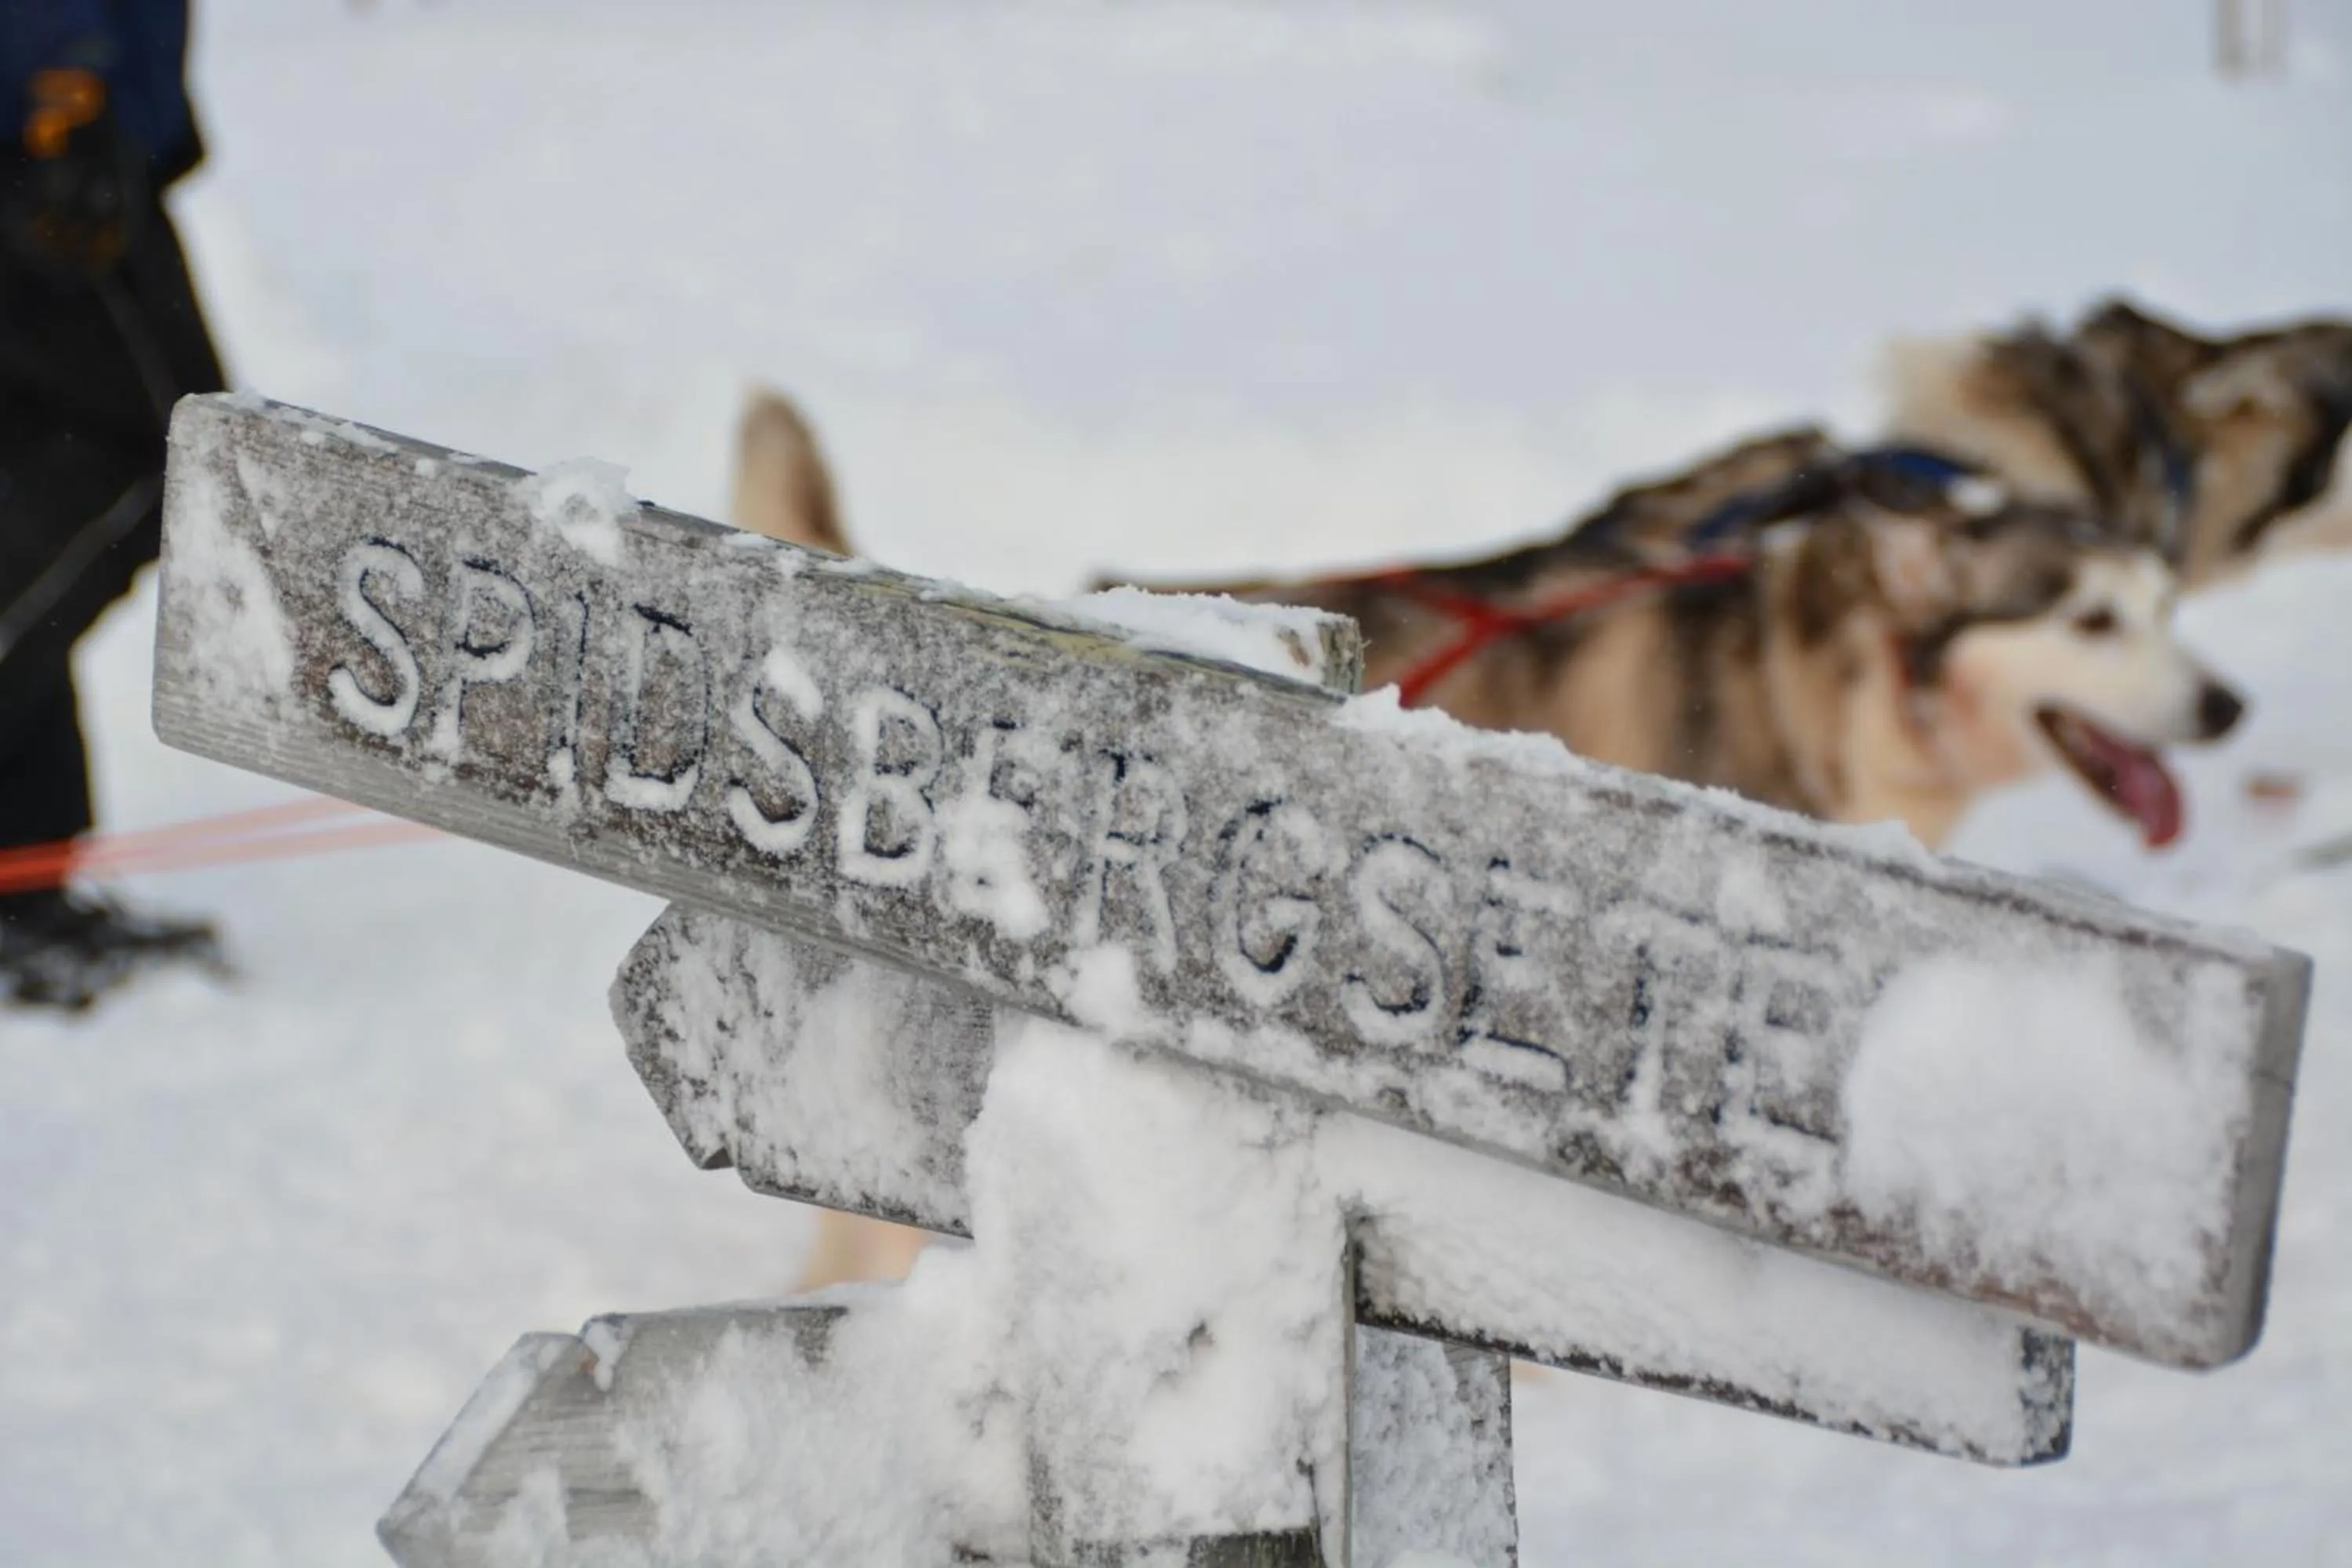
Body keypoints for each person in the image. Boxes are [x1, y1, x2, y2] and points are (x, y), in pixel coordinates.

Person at [1, 1, 226, 1011]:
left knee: (32, 484)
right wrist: (67, 80)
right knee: (174, 460)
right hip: (46, 140)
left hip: (65, 123)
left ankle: (27, 885)